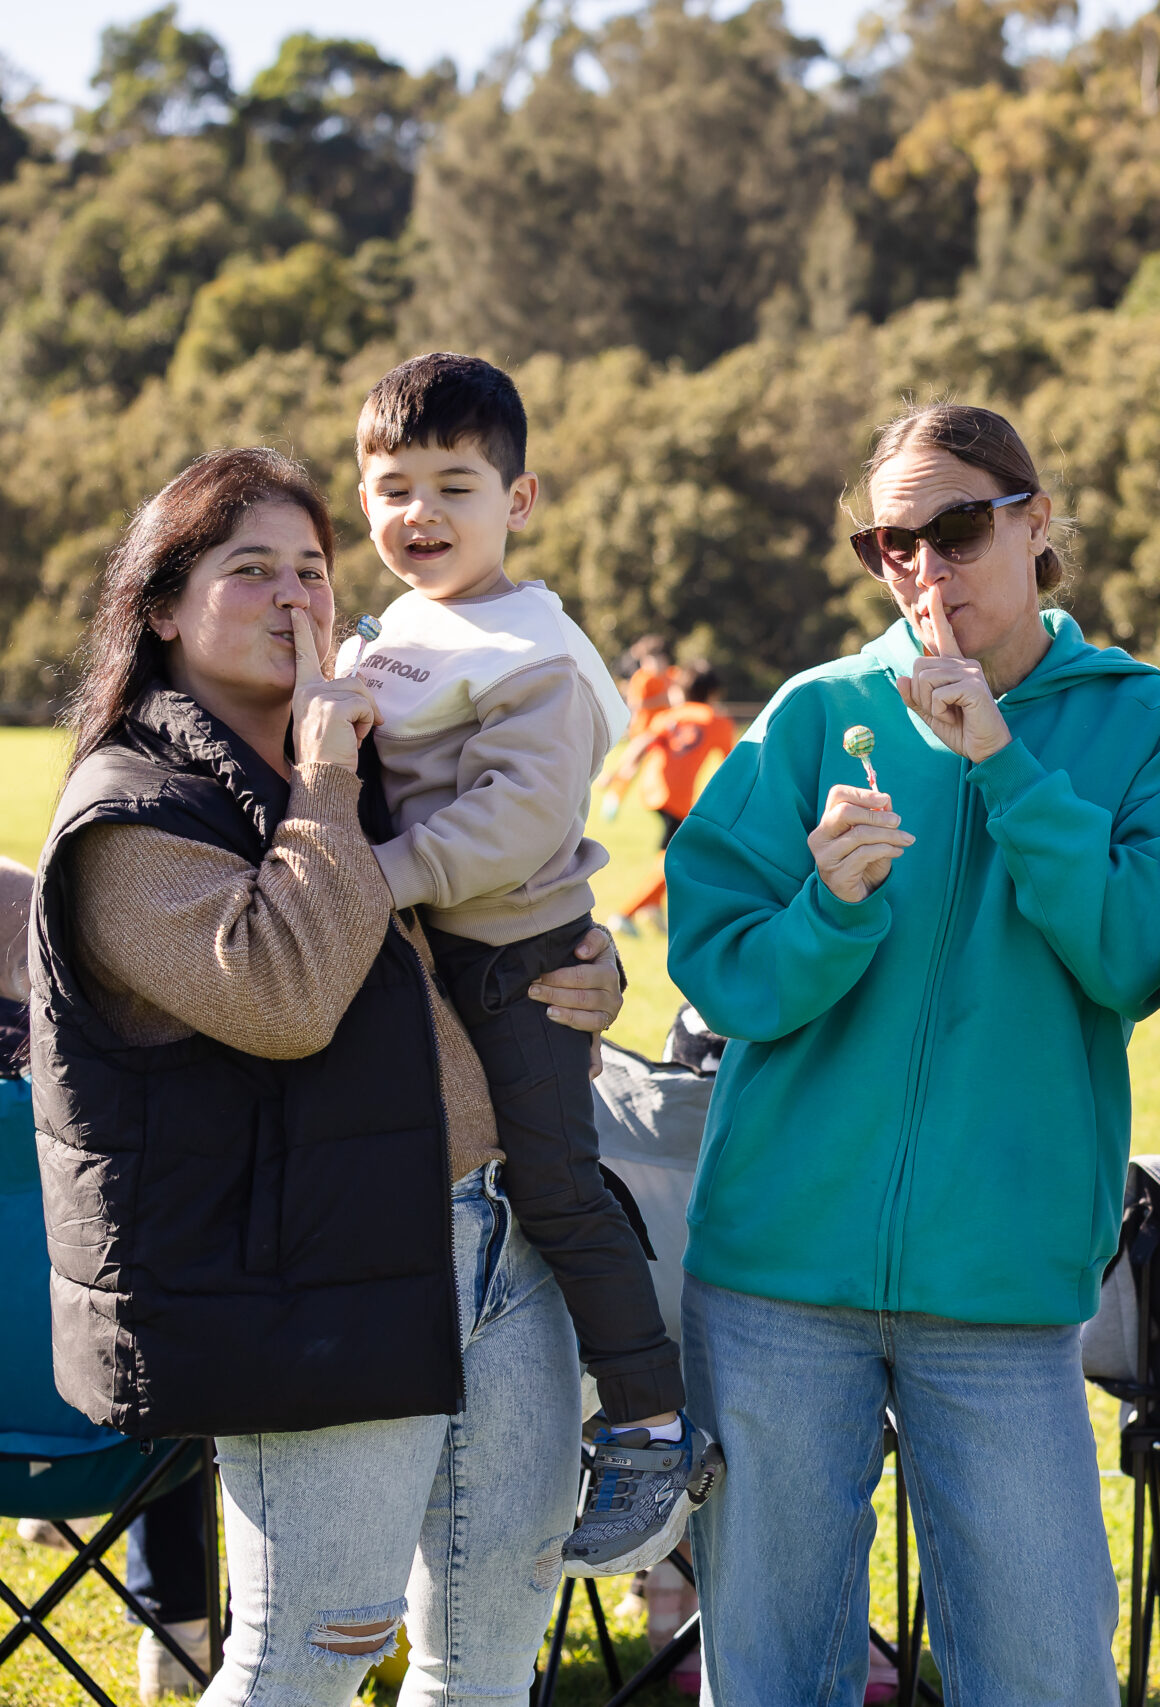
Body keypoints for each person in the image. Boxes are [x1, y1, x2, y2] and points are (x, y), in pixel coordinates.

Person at [30, 446, 627, 1704]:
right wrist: (327, 776)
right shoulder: (132, 815)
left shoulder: (376, 763)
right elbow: (288, 997)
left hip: (502, 1243)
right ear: (159, 606)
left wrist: (585, 962)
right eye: (250, 571)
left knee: (488, 1655)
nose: (297, 596)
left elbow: (477, 909)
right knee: (309, 1651)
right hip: (318, 1282)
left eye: (313, 567)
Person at [662, 403, 1160, 1704]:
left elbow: (1134, 955)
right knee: (773, 1678)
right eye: (890, 542)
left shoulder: (1154, 726)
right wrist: (831, 914)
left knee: (1041, 1673)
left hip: (1005, 1288)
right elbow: (720, 965)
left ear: (1038, 523)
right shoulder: (811, 717)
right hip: (775, 1279)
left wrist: (1004, 762)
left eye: (958, 527)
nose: (924, 566)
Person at [338, 352, 711, 1575]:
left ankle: (653, 1428)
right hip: (435, 964)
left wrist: (376, 880)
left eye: (456, 486)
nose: (421, 516)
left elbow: (512, 825)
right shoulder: (403, 628)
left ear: (522, 499)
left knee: (553, 1185)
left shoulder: (534, 654)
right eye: (394, 488)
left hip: (517, 963)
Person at [603, 664, 737, 936]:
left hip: (652, 791)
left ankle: (652, 907)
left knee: (674, 855)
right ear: (714, 693)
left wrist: (616, 776)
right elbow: (732, 767)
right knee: (676, 859)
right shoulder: (718, 720)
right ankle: (624, 914)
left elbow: (640, 744)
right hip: (676, 798)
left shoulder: (668, 715)